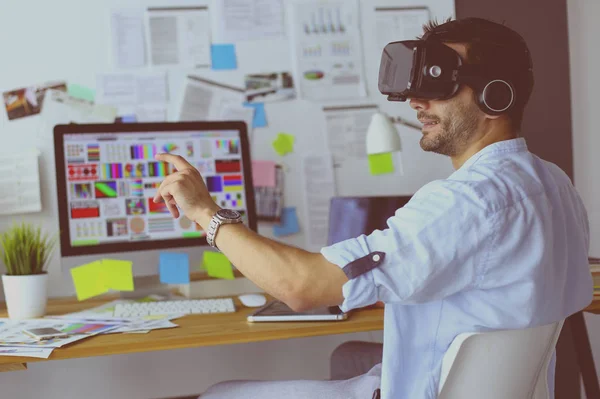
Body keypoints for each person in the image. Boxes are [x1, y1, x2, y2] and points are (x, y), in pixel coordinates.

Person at [153, 17, 593, 399]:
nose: (417, 103)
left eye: (437, 87)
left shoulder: (464, 201)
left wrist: (205, 212)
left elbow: (300, 288)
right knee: (348, 354)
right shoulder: (553, 184)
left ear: (497, 96)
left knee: (217, 395)